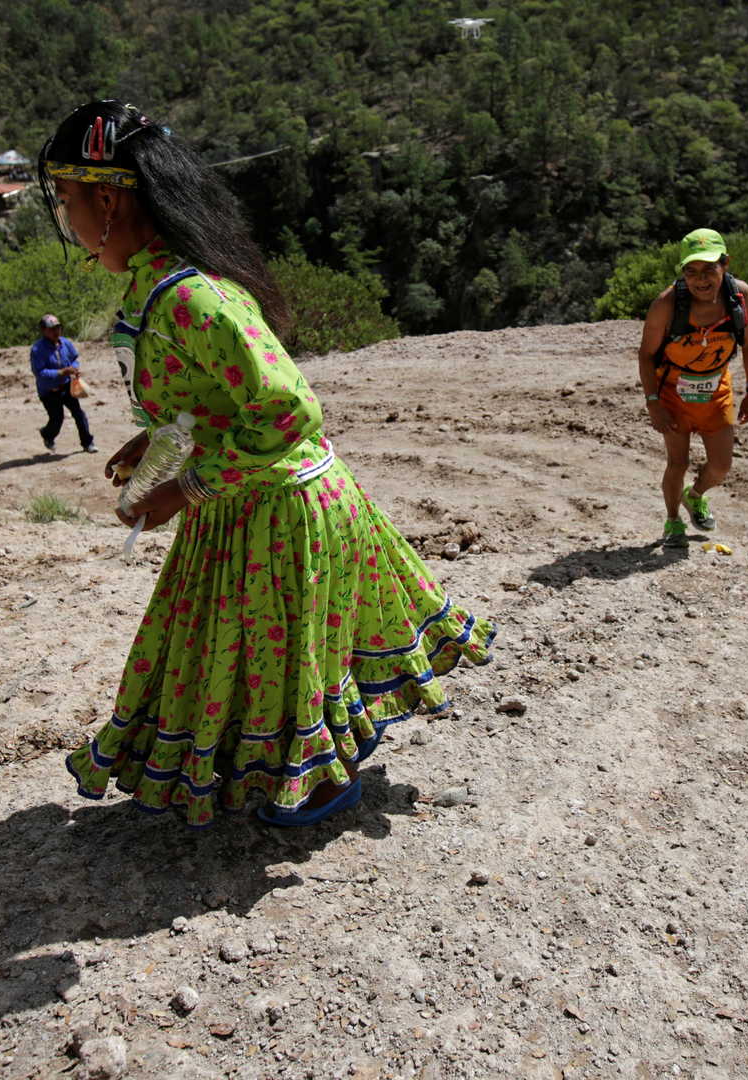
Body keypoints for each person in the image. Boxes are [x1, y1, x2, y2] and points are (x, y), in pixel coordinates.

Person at [38, 101, 495, 828]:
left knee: (273, 659)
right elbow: (213, 400)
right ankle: (269, 770)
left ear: (105, 197)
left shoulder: (192, 296)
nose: (65, 222)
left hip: (280, 513)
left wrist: (182, 487)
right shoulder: (160, 288)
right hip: (245, 506)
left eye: (64, 201)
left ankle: (314, 782)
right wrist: (157, 441)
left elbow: (287, 414)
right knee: (246, 654)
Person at [636, 228, 748, 549]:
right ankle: (673, 521)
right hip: (672, 393)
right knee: (677, 463)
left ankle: (695, 497)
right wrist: (653, 402)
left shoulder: (740, 296)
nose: (700, 279)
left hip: (717, 391)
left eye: (709, 270)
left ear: (725, 264)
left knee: (721, 467)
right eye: (691, 271)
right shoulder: (666, 305)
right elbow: (646, 354)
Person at [30, 313, 96, 453]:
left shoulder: (65, 343)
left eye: (58, 328)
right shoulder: (37, 349)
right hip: (49, 391)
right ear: (44, 331)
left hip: (66, 386)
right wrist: (61, 372)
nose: (56, 331)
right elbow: (40, 373)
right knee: (57, 419)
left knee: (79, 414)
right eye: (51, 329)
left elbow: (74, 358)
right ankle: (47, 434)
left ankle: (87, 443)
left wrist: (74, 368)